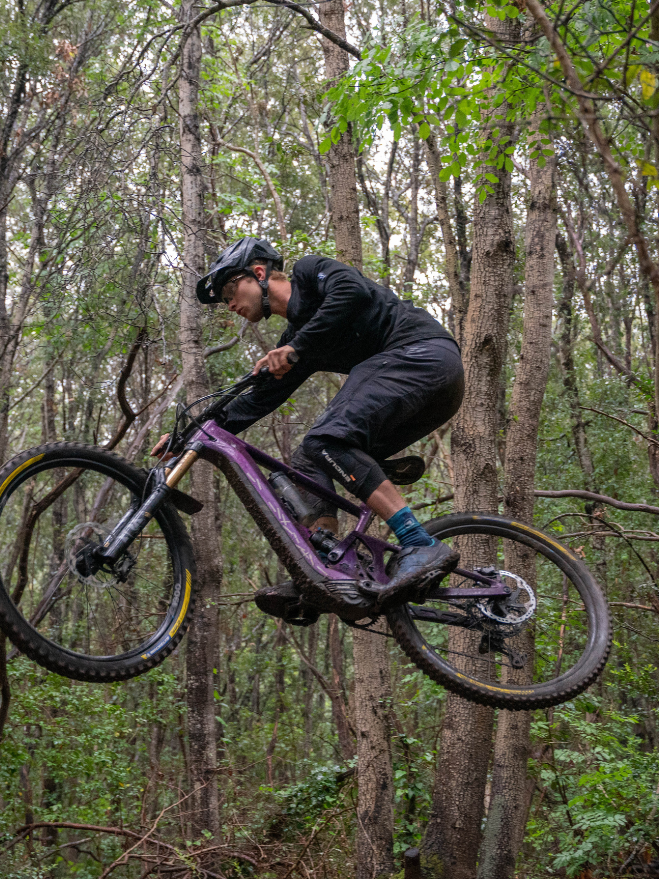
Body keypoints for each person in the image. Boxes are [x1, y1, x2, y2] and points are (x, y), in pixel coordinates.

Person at [161, 236, 464, 608]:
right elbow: (256, 402)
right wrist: (185, 437)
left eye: (230, 290)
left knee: (325, 441)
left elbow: (352, 291)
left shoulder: (309, 273)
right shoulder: (299, 342)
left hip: (423, 355)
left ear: (259, 273)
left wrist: (296, 348)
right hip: (426, 389)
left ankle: (418, 541)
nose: (230, 305)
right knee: (308, 458)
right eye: (225, 300)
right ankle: (329, 569)